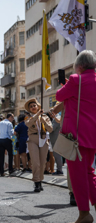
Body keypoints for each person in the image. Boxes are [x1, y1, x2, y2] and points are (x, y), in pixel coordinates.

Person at [55, 50, 96, 223]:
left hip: (76, 136)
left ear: (79, 65)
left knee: (78, 175)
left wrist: (65, 85)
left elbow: (59, 96)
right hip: (93, 134)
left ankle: (84, 214)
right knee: (89, 172)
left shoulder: (75, 80)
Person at [24, 98, 53, 192]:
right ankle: (36, 182)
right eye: (31, 106)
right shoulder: (29, 117)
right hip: (33, 139)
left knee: (42, 163)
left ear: (38, 106)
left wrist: (43, 120)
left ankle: (40, 181)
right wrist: (37, 115)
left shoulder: (45, 116)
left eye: (34, 105)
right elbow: (28, 124)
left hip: (44, 139)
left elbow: (50, 129)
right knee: (35, 162)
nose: (33, 107)